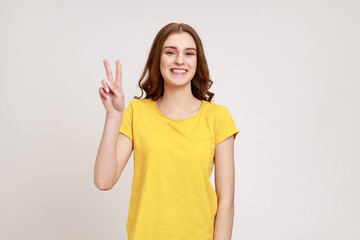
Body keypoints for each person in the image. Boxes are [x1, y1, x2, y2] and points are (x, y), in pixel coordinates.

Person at [94, 22, 240, 240]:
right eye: (170, 52)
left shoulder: (218, 117)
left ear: (197, 62)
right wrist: (114, 115)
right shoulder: (137, 112)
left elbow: (226, 201)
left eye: (188, 53)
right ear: (158, 59)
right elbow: (103, 181)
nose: (179, 60)